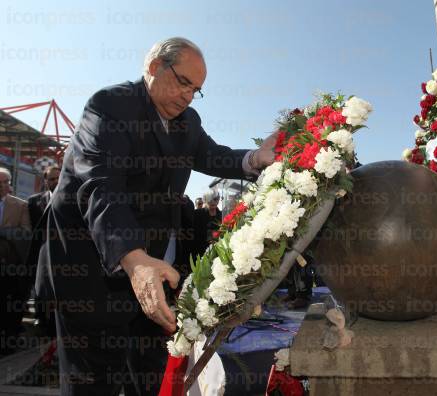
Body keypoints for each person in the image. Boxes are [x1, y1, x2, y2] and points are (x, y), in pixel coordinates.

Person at [35, 37, 276, 396]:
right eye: (183, 82)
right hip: (92, 270)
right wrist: (133, 259)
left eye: (197, 90)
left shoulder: (187, 121)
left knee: (149, 375)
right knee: (94, 380)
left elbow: (213, 155)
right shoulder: (110, 106)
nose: (189, 96)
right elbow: (101, 186)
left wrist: (256, 158)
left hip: (153, 271)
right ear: (154, 67)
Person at [0, 167, 31, 354]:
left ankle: (8, 345)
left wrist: (5, 232)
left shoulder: (20, 206)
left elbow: (26, 233)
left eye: (6, 182)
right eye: (0, 183)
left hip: (10, 270)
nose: (3, 186)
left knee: (8, 309)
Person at [27, 165, 61, 334]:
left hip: (63, 257)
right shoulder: (33, 202)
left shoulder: (73, 199)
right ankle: (42, 325)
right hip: (41, 254)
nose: (56, 181)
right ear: (45, 181)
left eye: (58, 178)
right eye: (52, 179)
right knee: (40, 289)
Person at [193, 190, 222, 256]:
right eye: (209, 199)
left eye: (215, 199)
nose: (212, 202)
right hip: (200, 253)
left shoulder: (222, 215)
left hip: (218, 252)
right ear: (205, 200)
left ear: (218, 199)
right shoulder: (197, 214)